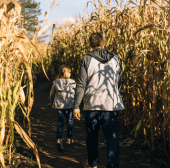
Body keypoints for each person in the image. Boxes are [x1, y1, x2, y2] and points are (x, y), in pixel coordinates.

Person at [73, 32, 124, 168]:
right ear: (104, 42)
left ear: (90, 44)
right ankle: (112, 165)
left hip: (92, 105)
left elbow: (81, 84)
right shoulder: (116, 59)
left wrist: (76, 105)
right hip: (111, 105)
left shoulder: (86, 59)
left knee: (92, 136)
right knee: (111, 137)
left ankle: (93, 164)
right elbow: (119, 81)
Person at [50, 64, 76, 151]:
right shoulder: (72, 82)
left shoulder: (56, 82)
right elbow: (77, 92)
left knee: (60, 123)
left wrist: (51, 102)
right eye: (69, 72)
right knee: (69, 122)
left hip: (59, 106)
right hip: (69, 106)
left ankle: (59, 139)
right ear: (66, 73)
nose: (70, 74)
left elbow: (51, 94)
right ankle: (69, 138)